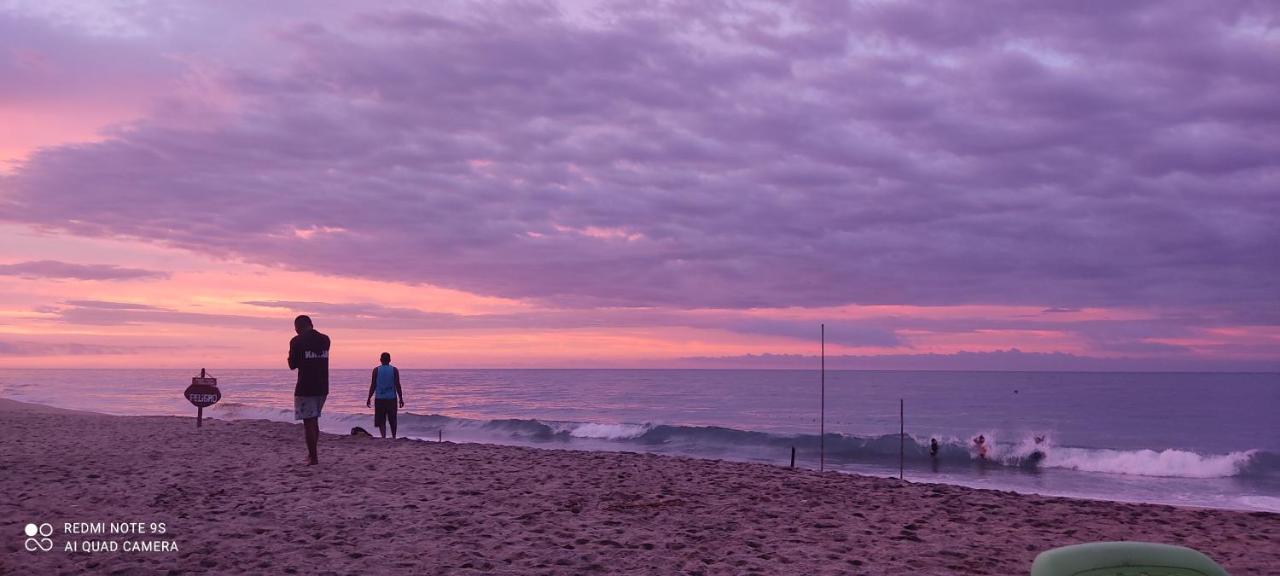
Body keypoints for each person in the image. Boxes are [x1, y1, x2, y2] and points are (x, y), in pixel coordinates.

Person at [288, 315, 330, 465]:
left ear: (298, 327)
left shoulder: (297, 341)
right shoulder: (325, 339)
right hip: (323, 386)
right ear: (311, 324)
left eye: (296, 328)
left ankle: (313, 457)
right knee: (314, 419)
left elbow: (292, 365)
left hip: (306, 386)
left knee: (308, 422)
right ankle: (312, 454)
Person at [366, 352, 405, 438]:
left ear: (380, 360)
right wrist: (401, 398)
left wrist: (369, 397)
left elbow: (373, 385)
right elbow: (397, 385)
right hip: (392, 398)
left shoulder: (376, 370)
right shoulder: (394, 370)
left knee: (381, 419)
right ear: (390, 360)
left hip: (379, 398)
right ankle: (393, 436)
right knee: (393, 419)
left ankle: (383, 436)